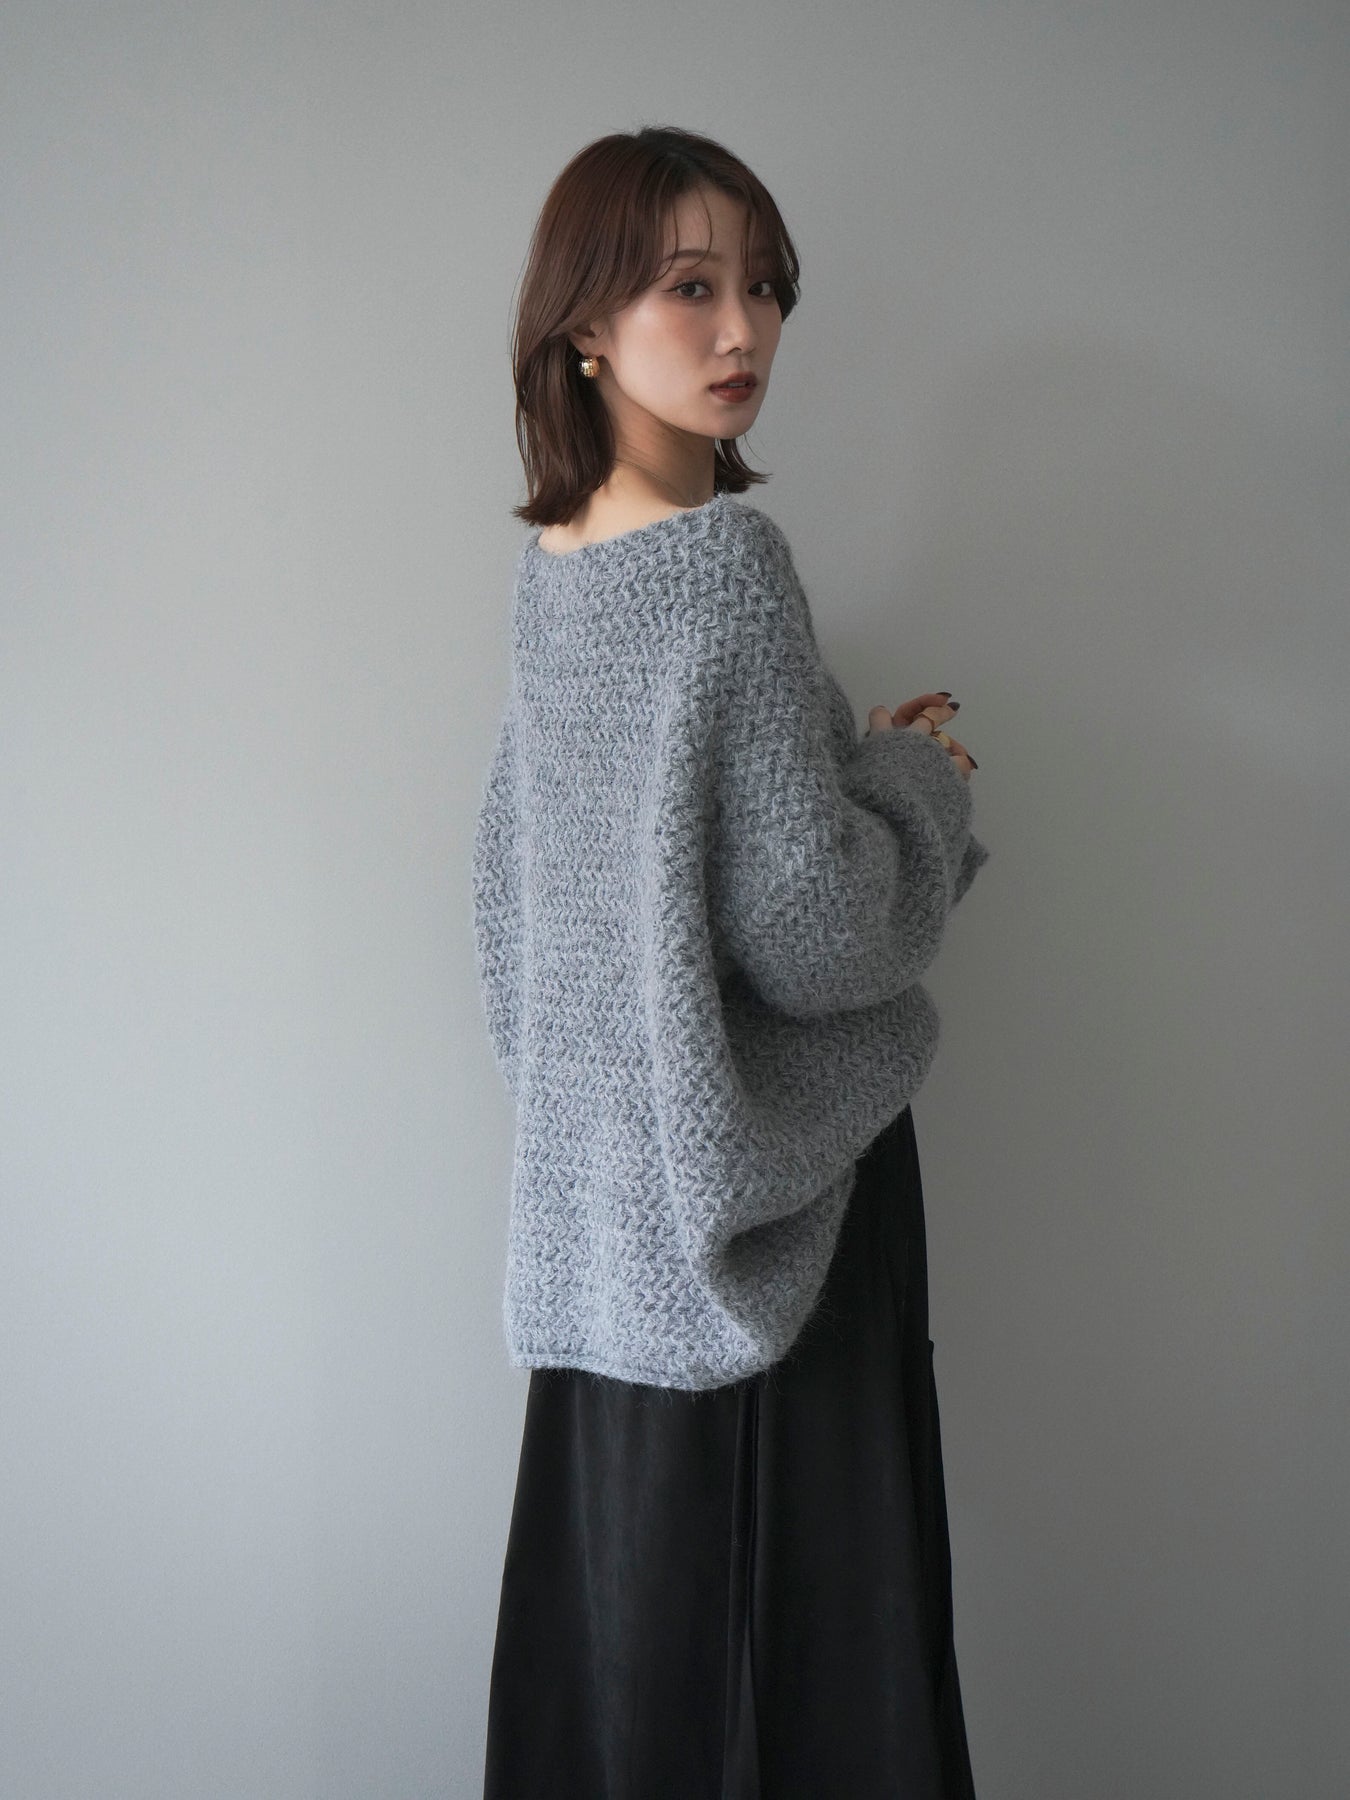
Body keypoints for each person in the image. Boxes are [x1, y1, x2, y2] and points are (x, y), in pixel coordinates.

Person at [471, 123, 990, 1799]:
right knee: (817, 1676)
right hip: (780, 1223)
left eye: (761, 287)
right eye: (687, 288)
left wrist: (838, 764)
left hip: (613, 1223)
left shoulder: (555, 573)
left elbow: (530, 896)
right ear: (584, 323)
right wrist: (918, 785)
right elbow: (822, 934)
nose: (740, 329)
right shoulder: (727, 573)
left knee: (640, 1675)